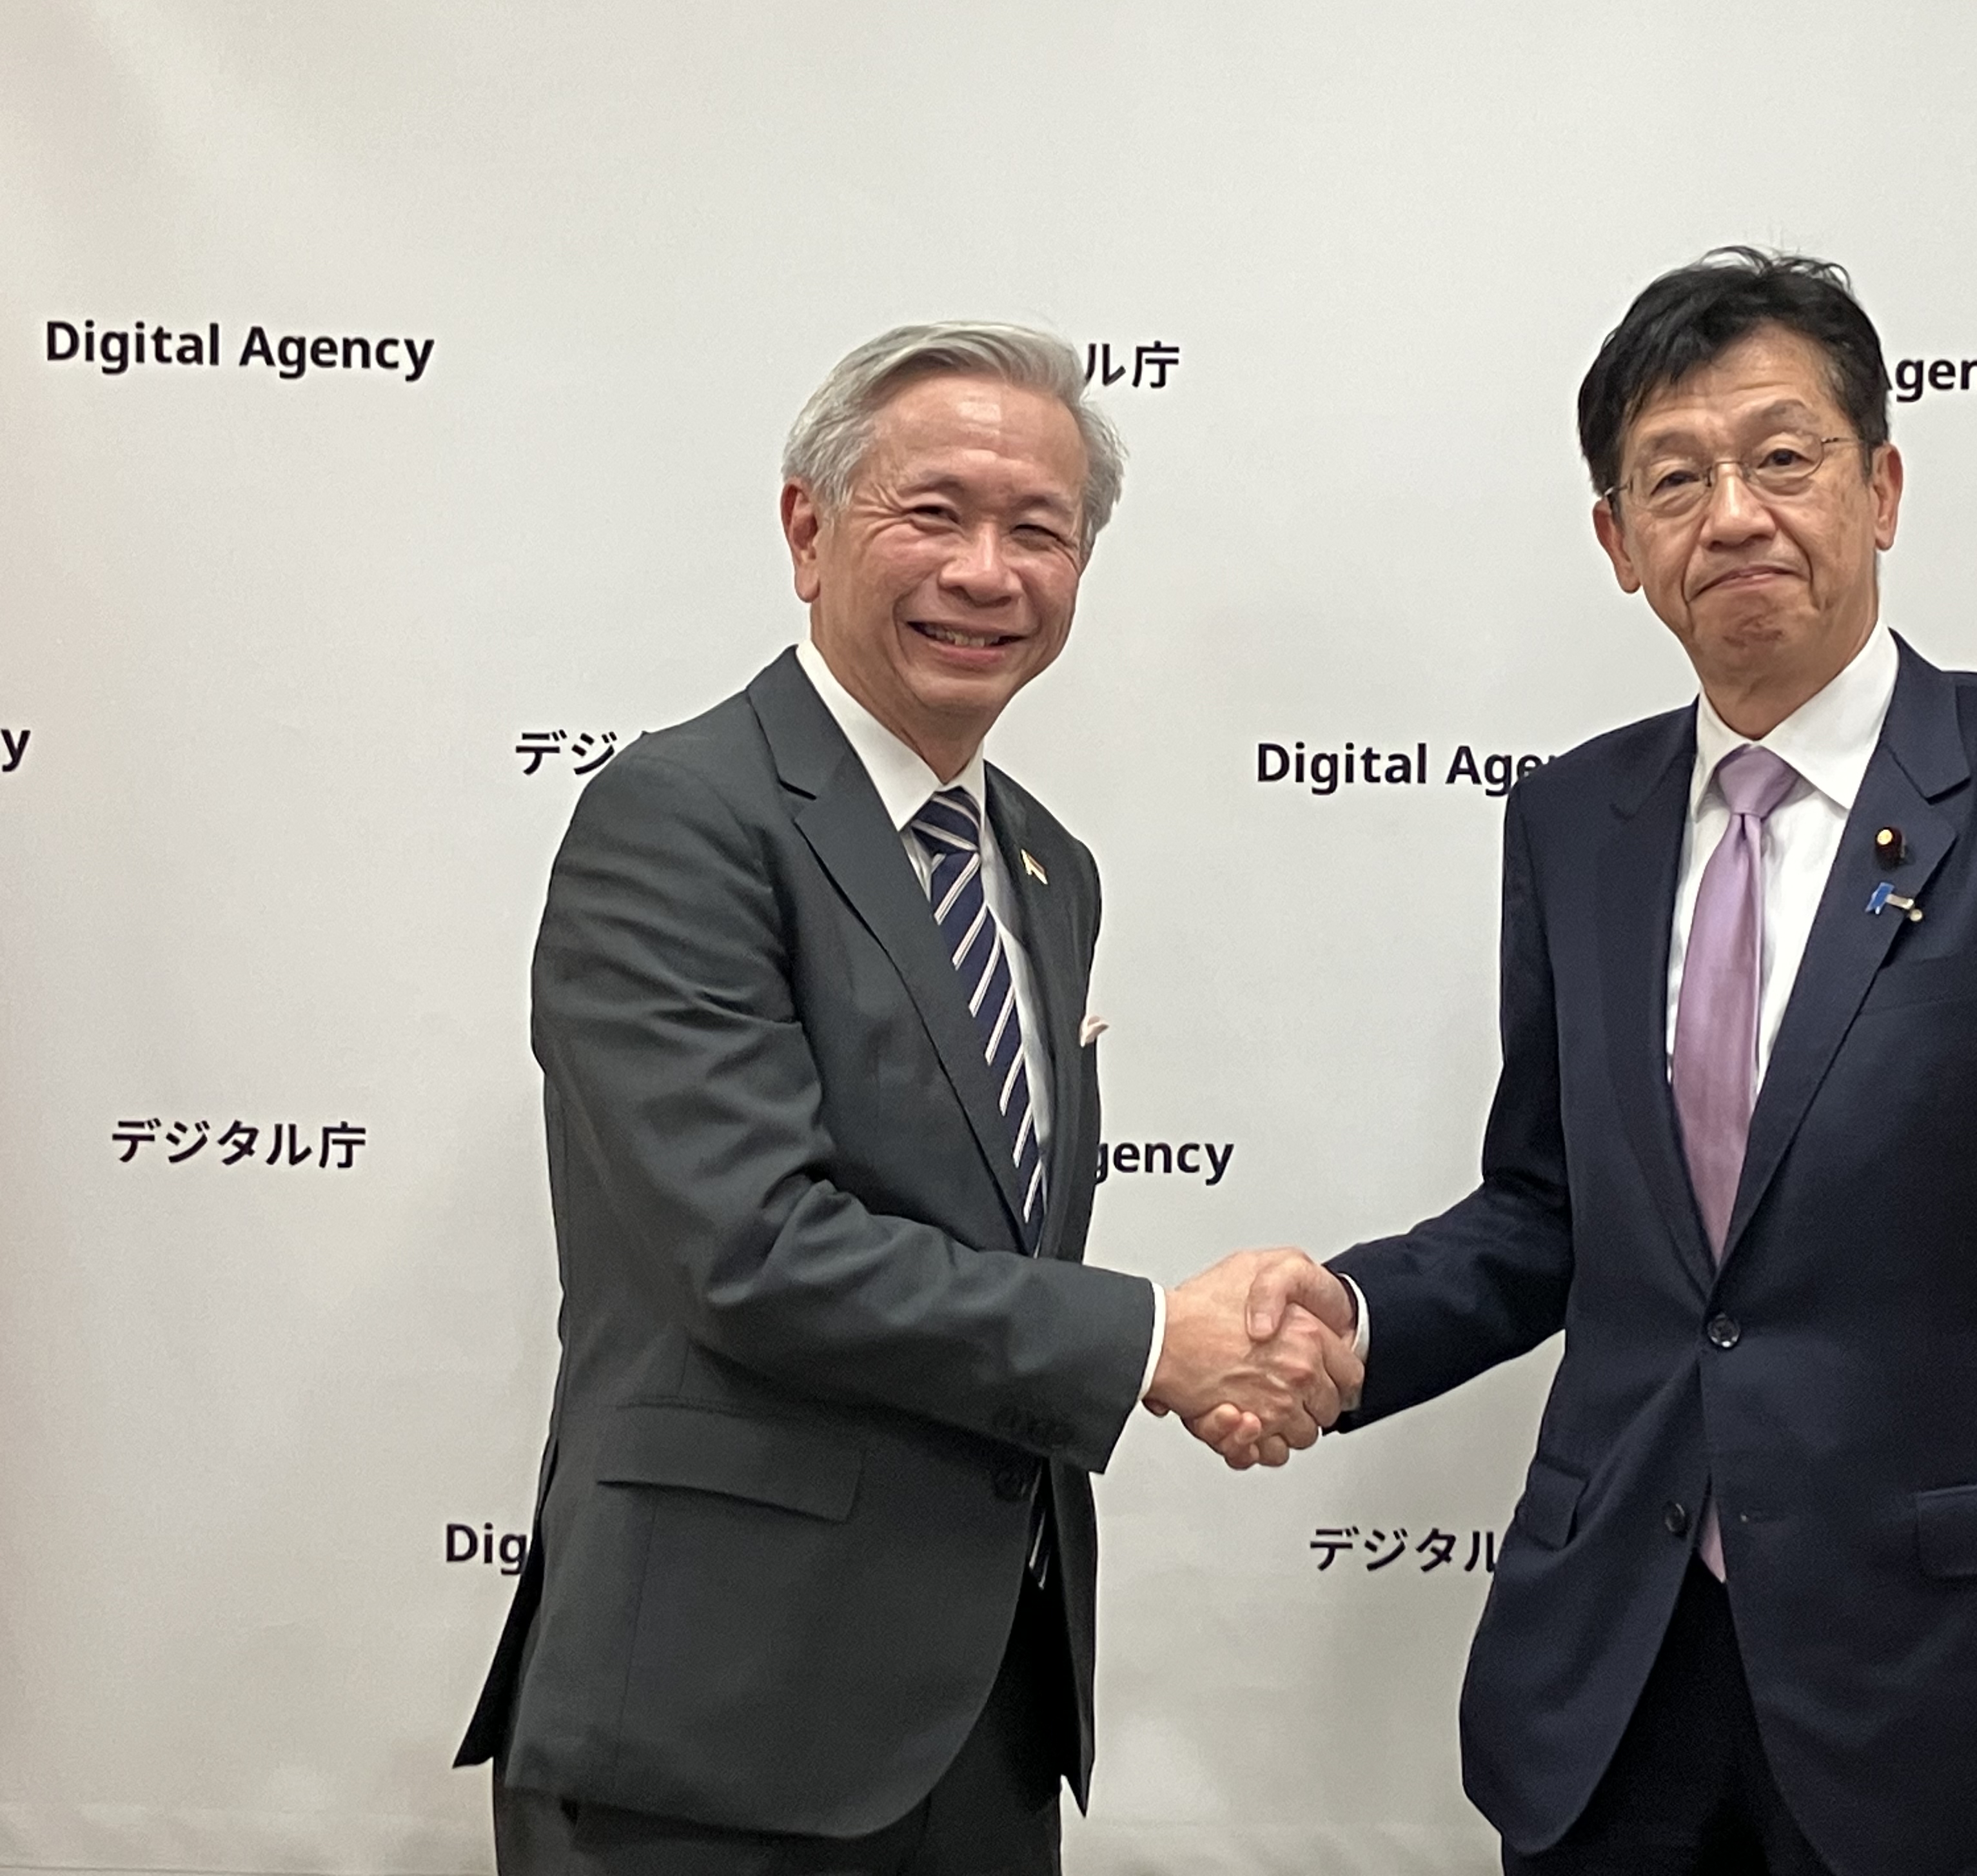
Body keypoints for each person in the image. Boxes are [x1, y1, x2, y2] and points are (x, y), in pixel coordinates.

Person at [1208, 250, 1977, 1876]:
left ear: (1883, 486)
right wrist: (1346, 1322)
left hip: (1954, 1682)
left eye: (1784, 458)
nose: (1734, 516)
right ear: (1618, 543)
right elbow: (1551, 1213)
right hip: (1615, 1676)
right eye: (1675, 479)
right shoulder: (1574, 820)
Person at [454, 322, 1359, 1875]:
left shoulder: (1048, 868)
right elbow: (751, 1248)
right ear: (808, 532)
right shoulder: (682, 814)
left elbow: (980, 1245)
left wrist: (1227, 1346)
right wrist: (1154, 1339)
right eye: (931, 513)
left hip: (982, 1716)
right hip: (713, 1726)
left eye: (1040, 532)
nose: (988, 571)